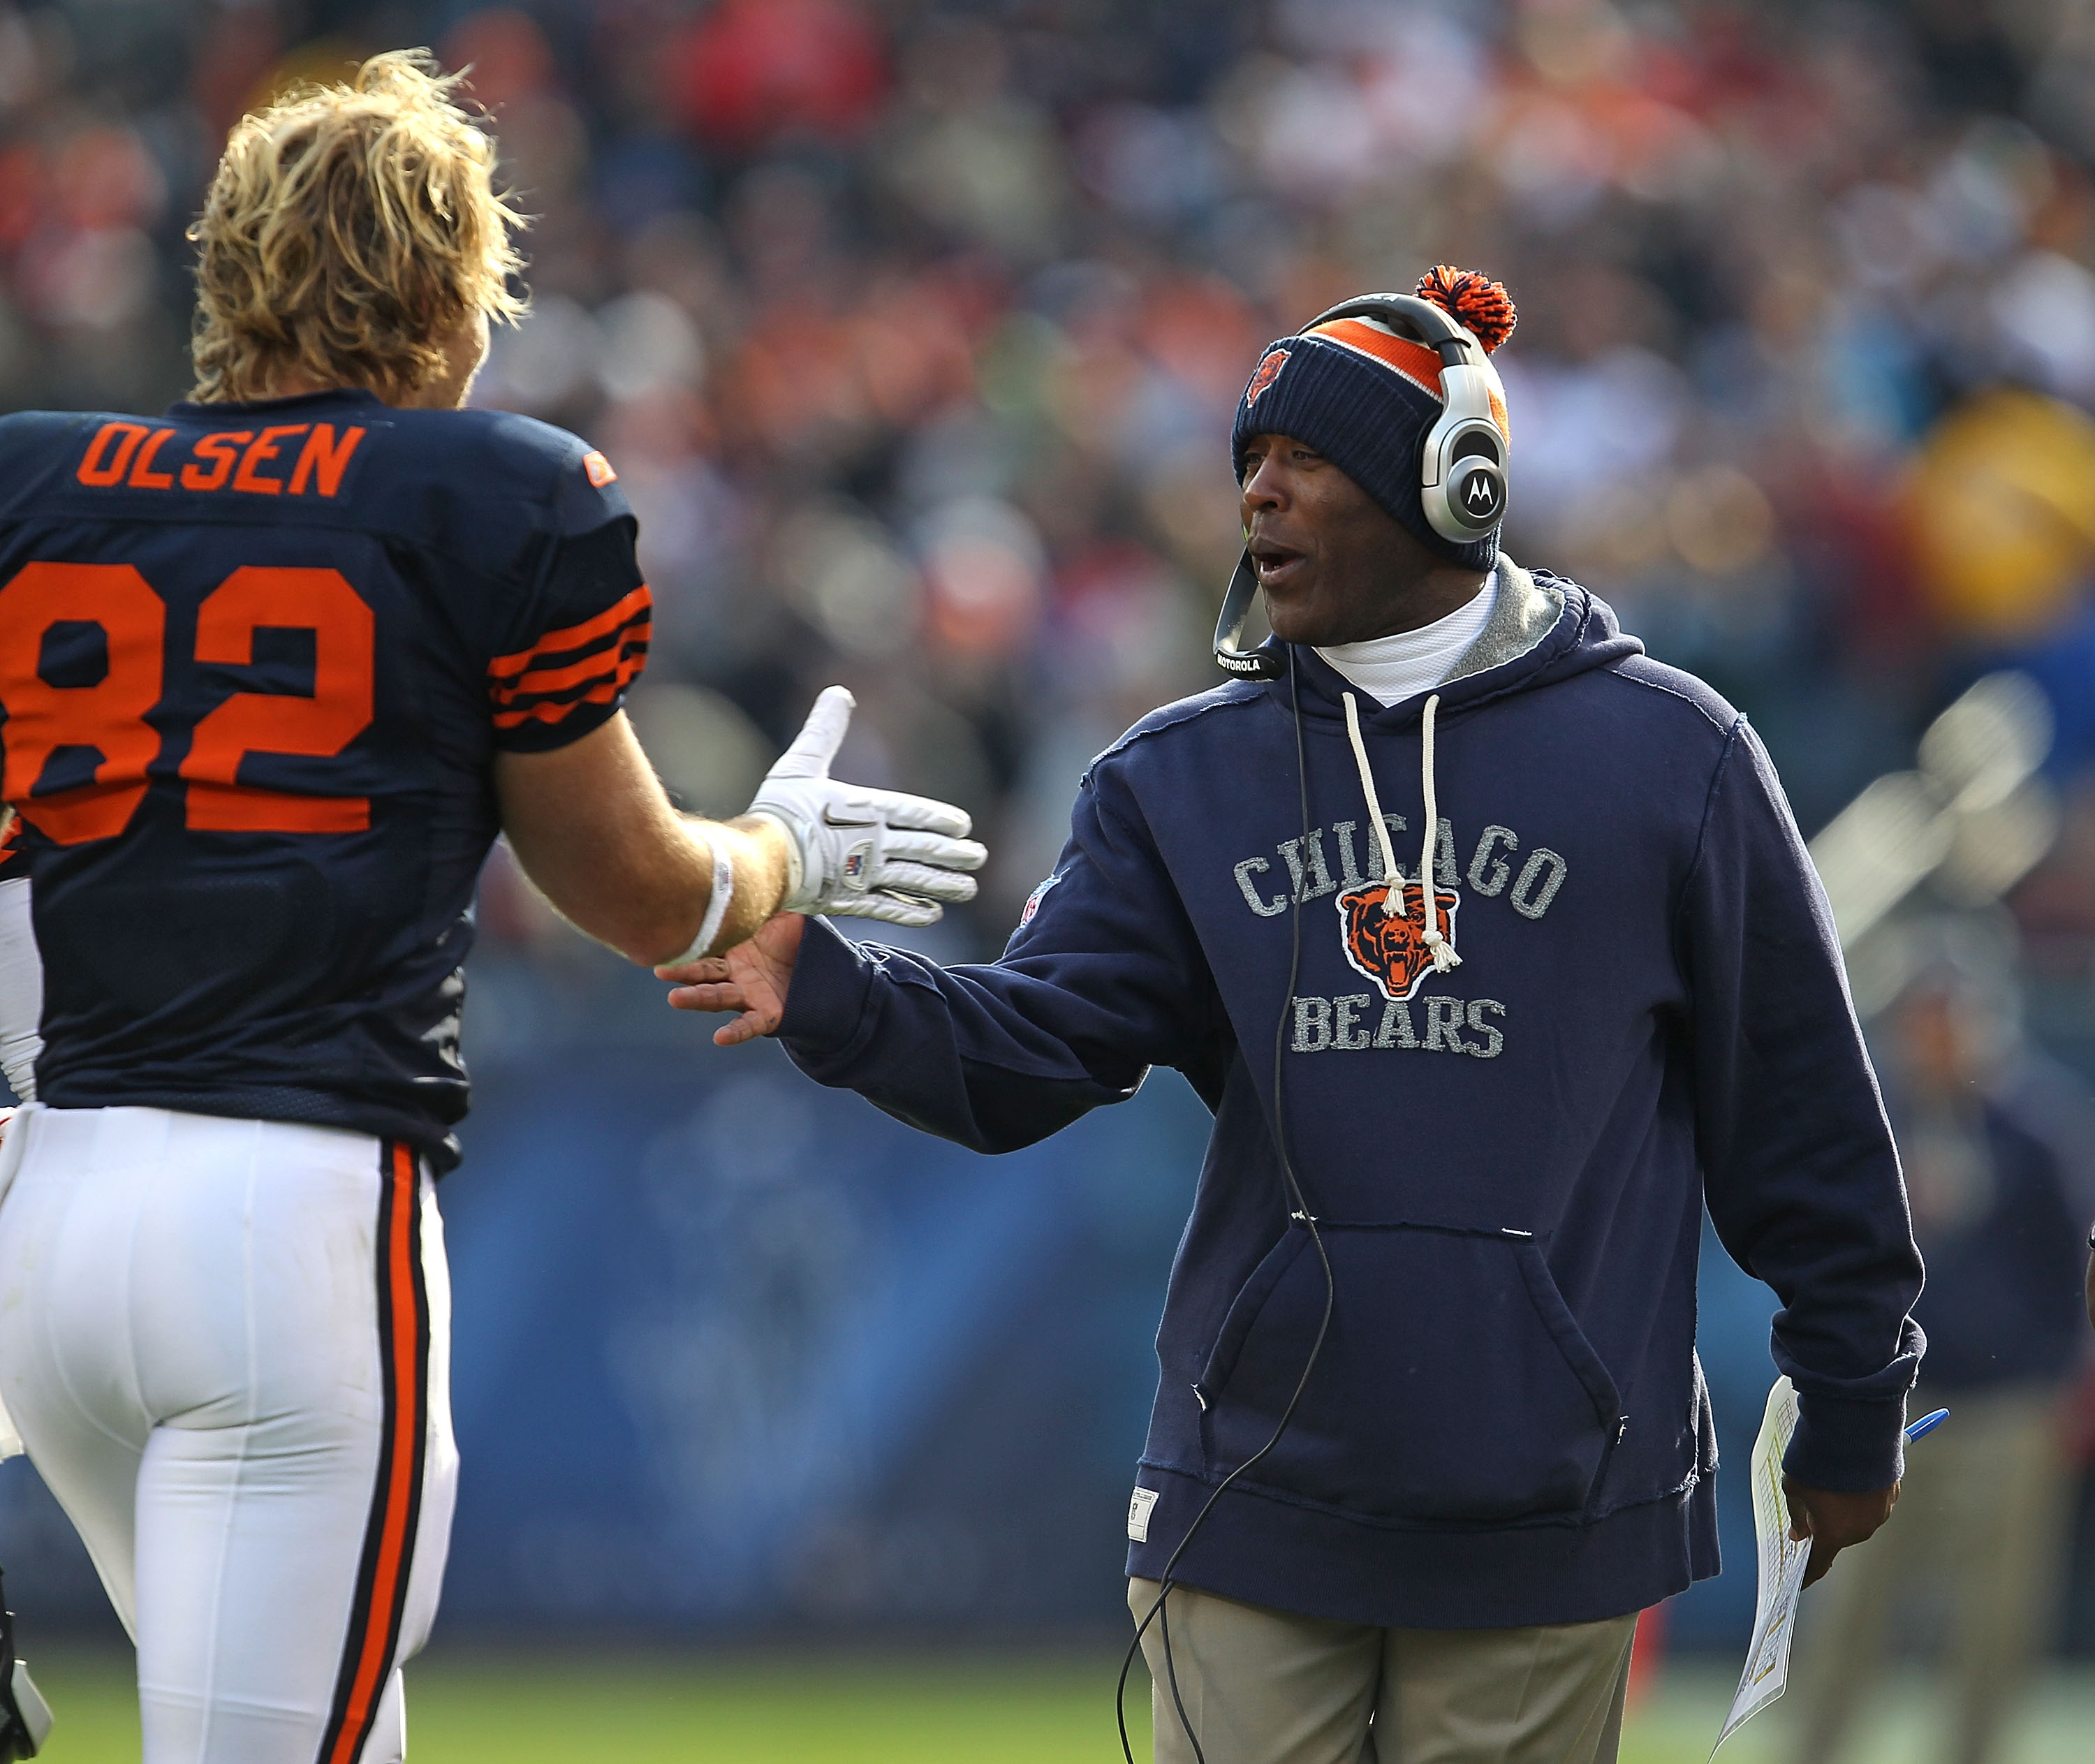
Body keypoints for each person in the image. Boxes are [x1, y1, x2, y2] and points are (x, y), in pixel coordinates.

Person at [664, 270, 1926, 1764]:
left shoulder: (1676, 758)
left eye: (1306, 461)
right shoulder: (1177, 779)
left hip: (1550, 1501)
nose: (1258, 497)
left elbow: (1802, 1118)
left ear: (1456, 489)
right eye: (1248, 462)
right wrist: (832, 989)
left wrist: (1854, 1400)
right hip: (1255, 1489)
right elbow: (1033, 1059)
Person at [0, 52, 982, 1764]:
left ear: (228, 272)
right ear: (456, 289)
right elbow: (638, 892)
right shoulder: (498, 496)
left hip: (53, 1216)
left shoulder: (36, 481)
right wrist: (781, 853)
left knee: (335, 1721)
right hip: (293, 1218)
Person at [1787, 916, 2094, 1764]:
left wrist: (2065, 1389)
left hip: (2007, 1406)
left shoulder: (2035, 1129)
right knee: (1849, 1610)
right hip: (1891, 1400)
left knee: (1995, 1621)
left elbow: (2072, 1269)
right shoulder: (1873, 1120)